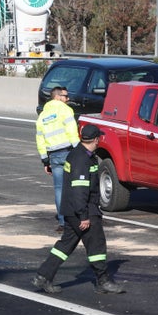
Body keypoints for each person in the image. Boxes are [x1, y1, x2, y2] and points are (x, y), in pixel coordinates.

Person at [32, 124, 125, 295]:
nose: (100, 141)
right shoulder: (82, 159)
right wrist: (84, 216)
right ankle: (103, 281)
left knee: (66, 245)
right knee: (96, 244)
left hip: (70, 209)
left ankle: (43, 275)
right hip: (83, 210)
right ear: (96, 139)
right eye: (99, 138)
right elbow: (79, 190)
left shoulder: (78, 154)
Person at [36, 86, 79, 233]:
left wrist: (45, 161)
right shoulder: (65, 110)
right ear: (57, 97)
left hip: (53, 156)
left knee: (59, 189)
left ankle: (63, 222)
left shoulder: (42, 115)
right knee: (77, 185)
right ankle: (78, 218)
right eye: (65, 96)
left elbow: (40, 140)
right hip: (68, 152)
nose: (68, 99)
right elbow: (72, 132)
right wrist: (80, 152)